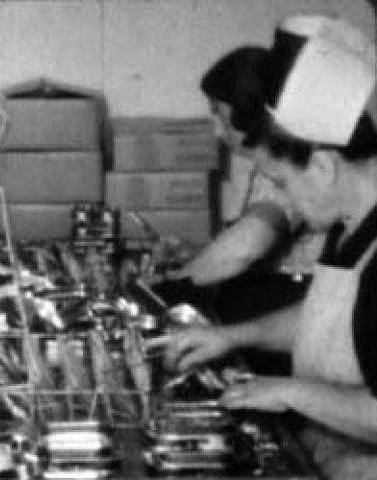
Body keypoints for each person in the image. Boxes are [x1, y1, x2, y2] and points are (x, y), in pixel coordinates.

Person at [148, 14, 377, 480]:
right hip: (324, 456)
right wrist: (231, 337)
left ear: (322, 168)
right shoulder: (345, 226)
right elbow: (327, 323)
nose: (286, 204)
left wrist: (289, 392)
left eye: (281, 184)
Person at [162, 46, 324, 321]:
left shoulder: (287, 161)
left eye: (221, 117)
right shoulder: (269, 161)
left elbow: (245, 248)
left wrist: (166, 289)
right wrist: (201, 254)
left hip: (301, 302)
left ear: (249, 111)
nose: (217, 131)